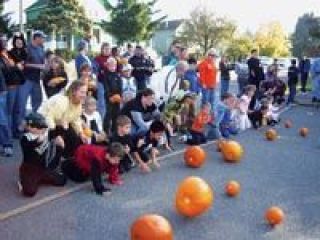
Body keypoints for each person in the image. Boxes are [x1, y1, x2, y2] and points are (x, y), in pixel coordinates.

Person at [18, 112, 67, 197]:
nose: (43, 129)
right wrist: (37, 142)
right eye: (40, 128)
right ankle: (23, 180)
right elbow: (28, 148)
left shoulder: (45, 133)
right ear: (30, 127)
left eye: (44, 127)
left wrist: (61, 132)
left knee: (62, 180)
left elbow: (56, 131)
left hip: (43, 167)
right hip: (30, 169)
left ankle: (39, 180)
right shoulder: (25, 138)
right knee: (29, 192)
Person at [38, 80, 88, 158]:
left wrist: (81, 133)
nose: (84, 95)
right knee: (59, 142)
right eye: (82, 92)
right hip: (43, 124)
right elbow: (49, 118)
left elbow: (76, 120)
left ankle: (66, 159)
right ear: (74, 91)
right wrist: (56, 136)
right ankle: (53, 160)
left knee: (76, 140)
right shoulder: (62, 101)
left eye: (85, 92)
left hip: (60, 123)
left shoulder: (78, 103)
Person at [0, 35, 25, 154]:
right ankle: (5, 142)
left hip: (8, 88)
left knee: (6, 116)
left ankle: (7, 142)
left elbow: (7, 70)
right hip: (6, 88)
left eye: (5, 40)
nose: (5, 42)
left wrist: (15, 67)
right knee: (5, 116)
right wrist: (16, 67)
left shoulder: (5, 54)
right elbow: (6, 70)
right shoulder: (4, 55)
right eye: (3, 41)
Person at [17, 31, 46, 131]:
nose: (43, 40)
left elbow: (43, 63)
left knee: (38, 102)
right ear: (36, 38)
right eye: (42, 38)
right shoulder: (27, 48)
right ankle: (20, 128)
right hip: (26, 80)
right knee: (22, 105)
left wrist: (44, 68)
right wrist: (38, 66)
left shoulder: (41, 48)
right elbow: (23, 64)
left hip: (37, 80)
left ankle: (31, 124)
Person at [102, 57, 122, 134]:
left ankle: (114, 131)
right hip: (109, 98)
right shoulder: (106, 75)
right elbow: (106, 87)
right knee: (108, 115)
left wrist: (119, 95)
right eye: (111, 65)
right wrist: (110, 96)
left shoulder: (117, 75)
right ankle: (106, 131)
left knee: (116, 115)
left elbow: (120, 86)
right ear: (108, 66)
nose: (113, 67)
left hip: (117, 98)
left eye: (114, 65)